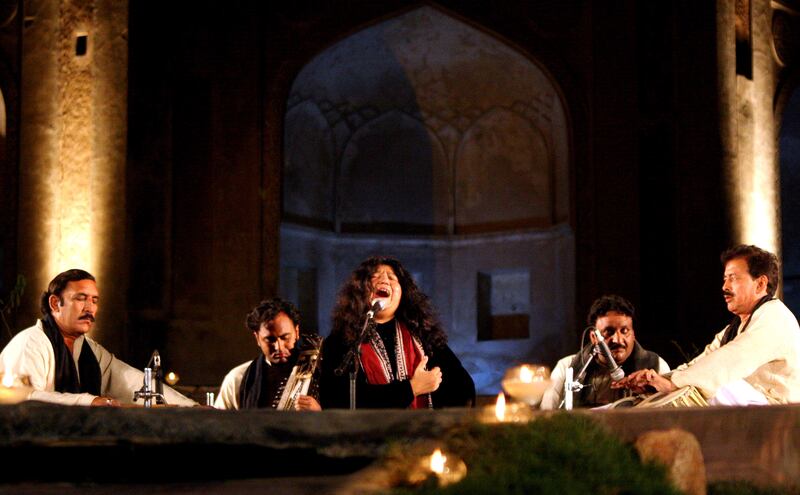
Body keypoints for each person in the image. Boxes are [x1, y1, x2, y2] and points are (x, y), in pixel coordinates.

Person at [613, 245, 800, 405]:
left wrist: (673, 384)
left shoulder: (775, 317)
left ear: (760, 284)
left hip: (779, 415)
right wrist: (656, 381)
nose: (724, 287)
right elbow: (701, 363)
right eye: (725, 279)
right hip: (751, 414)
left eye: (733, 278)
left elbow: (732, 359)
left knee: (721, 385)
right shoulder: (734, 328)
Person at [0, 269, 196, 406]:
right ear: (55, 303)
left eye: (94, 300)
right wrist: (89, 401)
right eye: (81, 298)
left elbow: (133, 381)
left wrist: (190, 407)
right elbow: (21, 399)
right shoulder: (30, 343)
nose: (90, 308)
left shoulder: (90, 350)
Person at [321, 256, 475, 409]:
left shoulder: (423, 335)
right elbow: (337, 399)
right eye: (374, 277)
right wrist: (412, 388)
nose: (384, 280)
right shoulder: (340, 340)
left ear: (403, 292)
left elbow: (463, 389)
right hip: (369, 432)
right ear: (360, 290)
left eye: (392, 278)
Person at [540, 294, 669, 409]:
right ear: (593, 337)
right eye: (609, 332)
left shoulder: (656, 365)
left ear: (633, 334)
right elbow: (547, 417)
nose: (617, 339)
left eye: (624, 331)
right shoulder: (567, 367)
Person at [214, 298, 321, 411]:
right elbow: (220, 424)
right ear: (257, 338)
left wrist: (319, 414)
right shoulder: (238, 378)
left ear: (297, 332)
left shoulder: (319, 372)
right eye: (270, 339)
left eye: (285, 337)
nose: (278, 347)